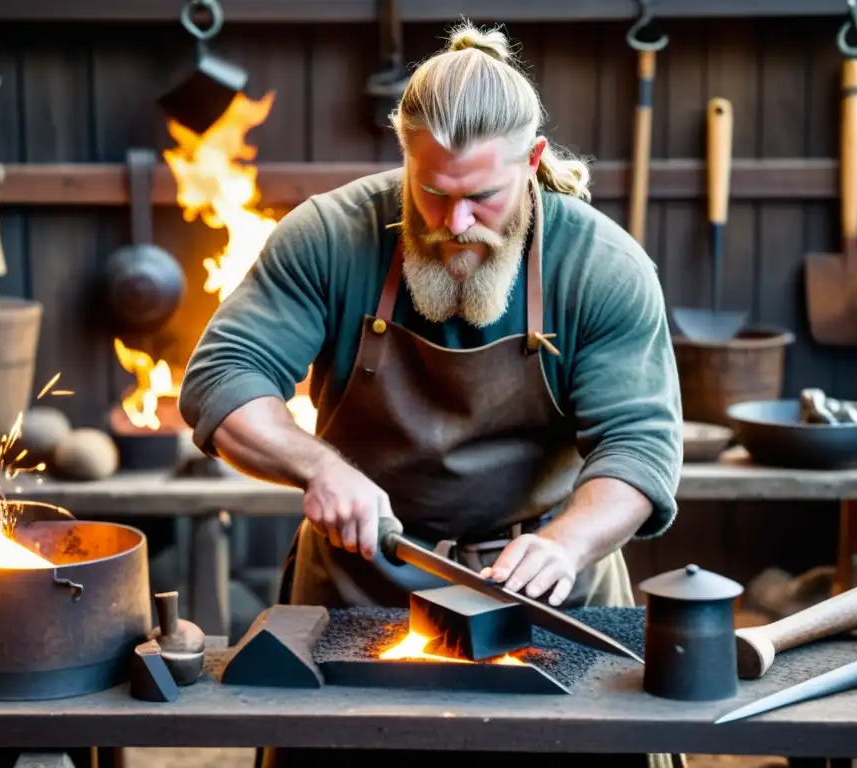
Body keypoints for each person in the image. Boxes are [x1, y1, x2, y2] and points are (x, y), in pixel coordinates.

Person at [179, 20, 683, 768]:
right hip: (358, 590)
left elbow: (640, 449)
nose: (455, 225)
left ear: (534, 160)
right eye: (432, 194)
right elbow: (222, 380)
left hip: (545, 594)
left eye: (482, 198)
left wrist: (566, 545)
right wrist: (321, 468)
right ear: (404, 154)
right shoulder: (330, 235)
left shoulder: (601, 265)